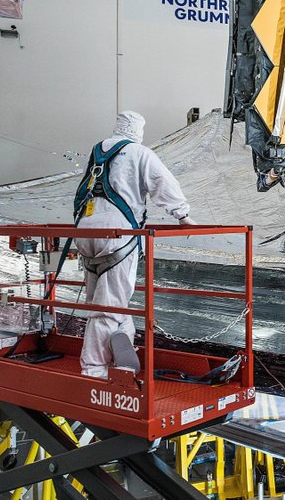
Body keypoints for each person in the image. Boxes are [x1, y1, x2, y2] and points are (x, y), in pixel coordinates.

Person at [72, 111, 192, 378]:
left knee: (100, 302)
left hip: (85, 230)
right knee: (109, 307)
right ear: (137, 130)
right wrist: (183, 216)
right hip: (116, 235)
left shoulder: (97, 152)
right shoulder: (139, 152)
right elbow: (163, 182)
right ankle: (93, 369)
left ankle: (123, 343)